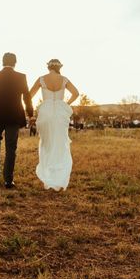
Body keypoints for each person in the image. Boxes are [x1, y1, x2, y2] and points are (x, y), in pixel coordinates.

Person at [0, 52, 34, 189]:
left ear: (2, 62)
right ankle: (8, 180)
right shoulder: (21, 77)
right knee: (11, 147)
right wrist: (30, 114)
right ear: (15, 62)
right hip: (14, 115)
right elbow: (27, 98)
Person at [28, 58, 79, 191]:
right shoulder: (64, 79)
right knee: (60, 142)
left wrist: (30, 111)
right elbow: (76, 93)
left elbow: (28, 96)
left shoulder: (41, 79)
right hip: (60, 114)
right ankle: (58, 174)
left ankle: (48, 173)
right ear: (59, 67)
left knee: (47, 143)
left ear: (48, 67)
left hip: (45, 112)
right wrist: (67, 103)